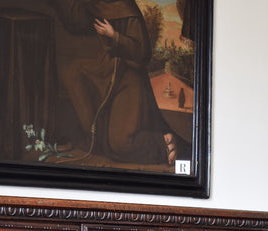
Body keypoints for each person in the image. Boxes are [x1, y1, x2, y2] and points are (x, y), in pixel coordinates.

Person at [46, 0, 184, 166]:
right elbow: (76, 22)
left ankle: (162, 143)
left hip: (128, 78)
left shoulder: (126, 8)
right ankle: (93, 137)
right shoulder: (93, 4)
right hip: (104, 71)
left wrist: (114, 36)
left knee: (121, 144)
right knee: (72, 72)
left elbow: (142, 53)